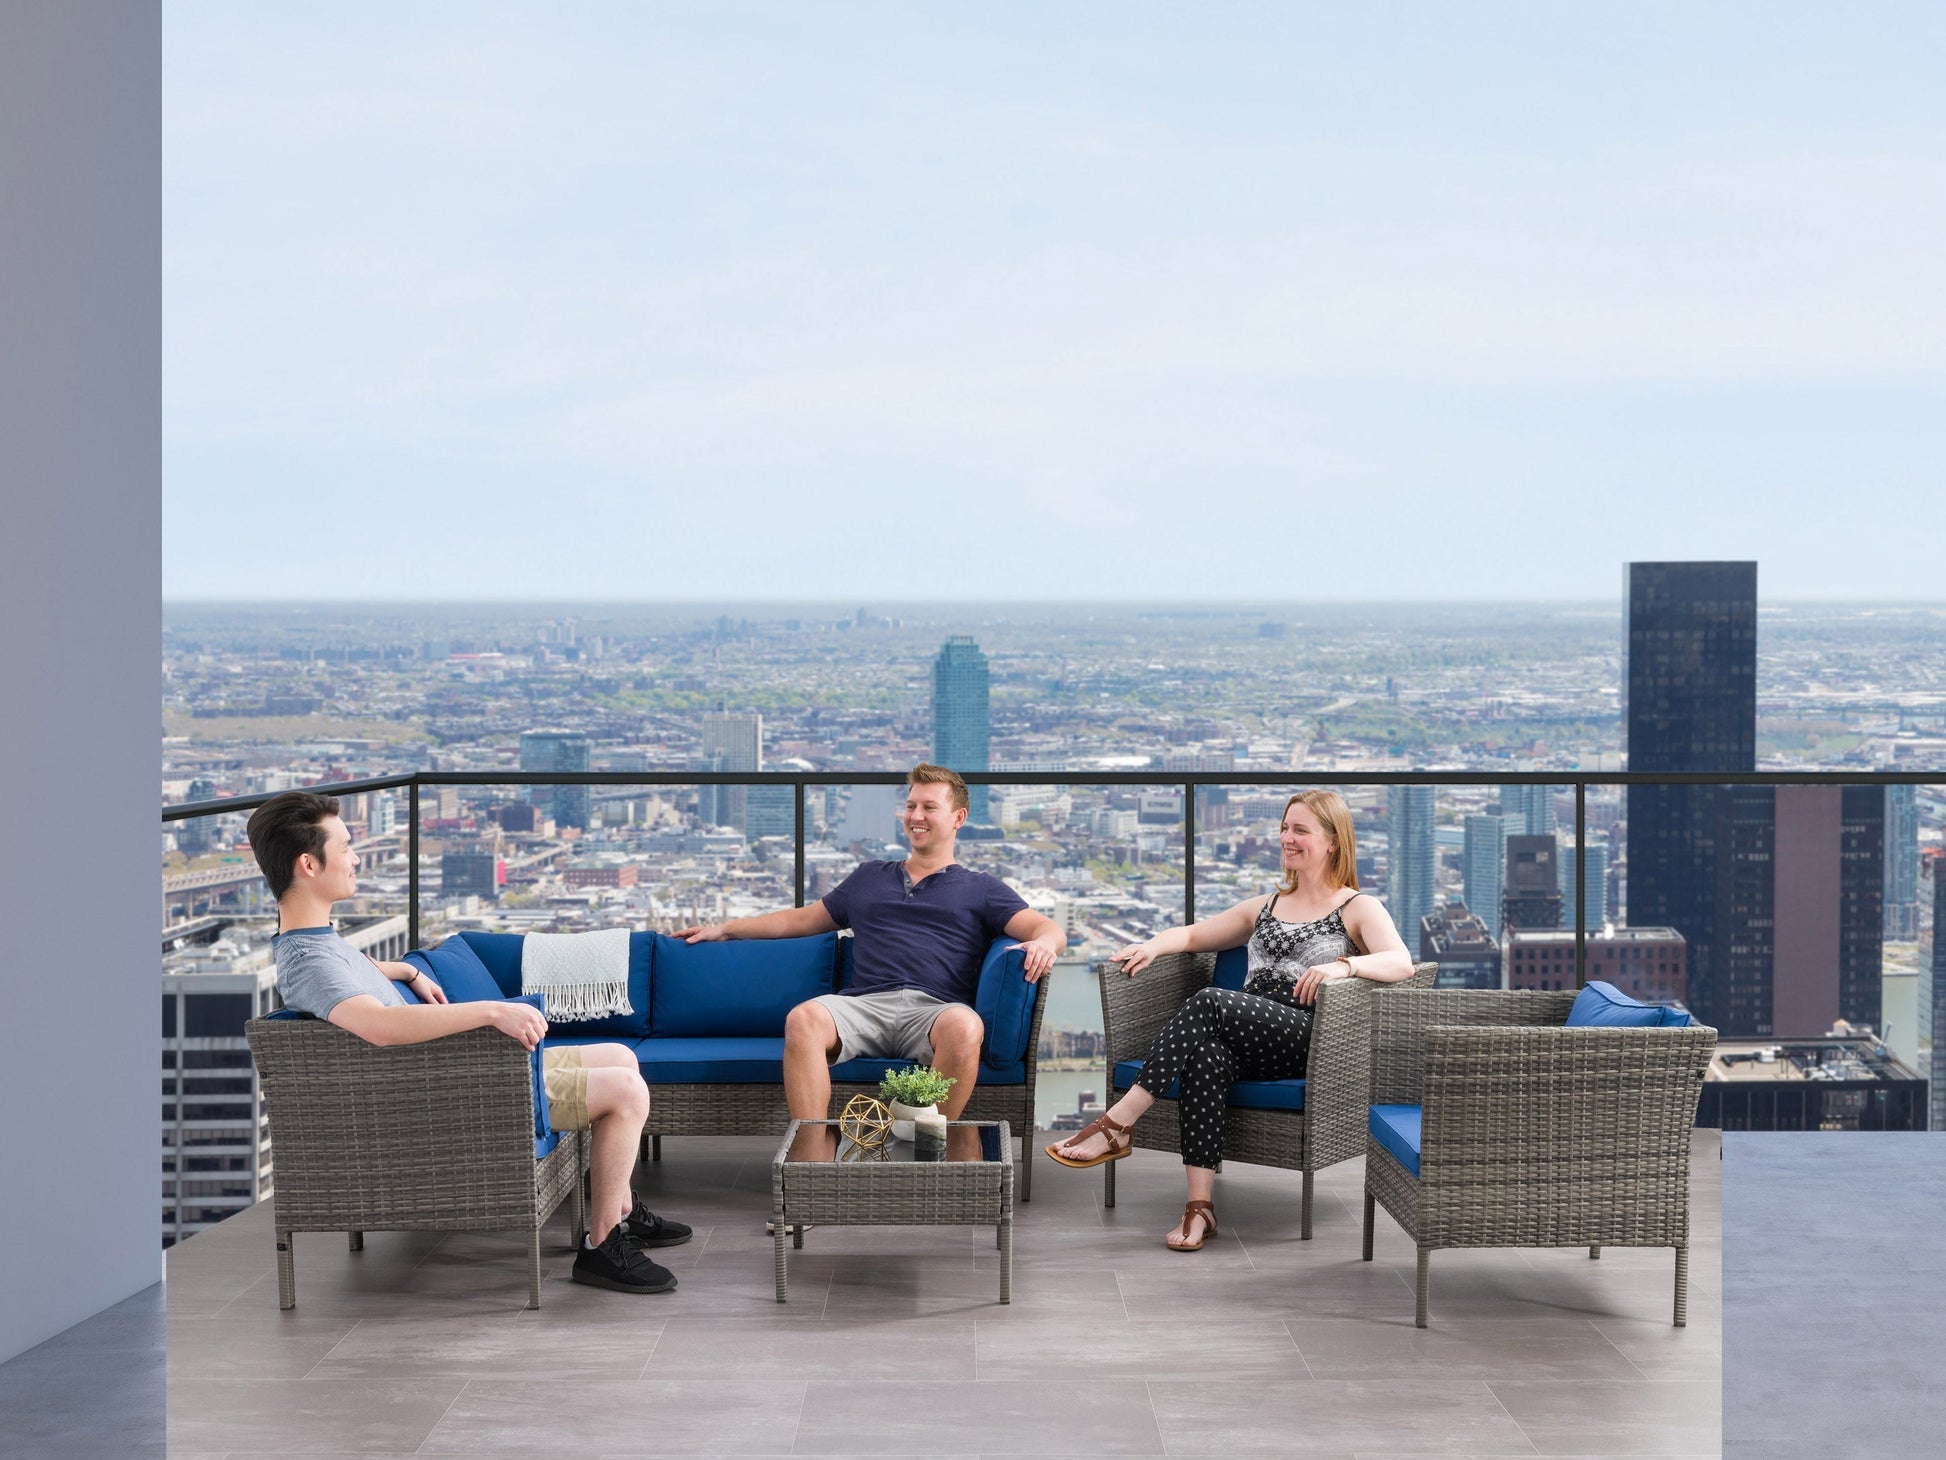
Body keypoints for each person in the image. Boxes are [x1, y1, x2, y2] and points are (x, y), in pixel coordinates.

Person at [245, 791, 691, 1296]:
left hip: (451, 1077)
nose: (356, 857)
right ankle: (603, 1245)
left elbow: (359, 976)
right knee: (627, 1092)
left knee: (620, 1055)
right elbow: (378, 1026)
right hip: (455, 1099)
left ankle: (619, 1205)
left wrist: (408, 970)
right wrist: (493, 1010)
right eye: (346, 846)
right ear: (309, 863)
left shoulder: (316, 943)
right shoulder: (311, 961)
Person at [1045, 789, 1413, 1250]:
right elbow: (1196, 934)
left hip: (1307, 1036)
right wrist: (1154, 946)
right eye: (1284, 828)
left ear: (1333, 841)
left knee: (1211, 1000)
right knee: (1208, 1059)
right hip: (1248, 1033)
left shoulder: (1356, 906)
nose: (1287, 838)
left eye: (1300, 830)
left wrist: (1344, 966)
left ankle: (1118, 1124)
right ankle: (1199, 1209)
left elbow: (1401, 962)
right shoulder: (1267, 905)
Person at [675, 764, 1064, 1136]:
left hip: (935, 1012)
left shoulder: (981, 888)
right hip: (863, 1006)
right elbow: (800, 921)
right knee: (804, 1019)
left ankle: (923, 1147)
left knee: (966, 1026)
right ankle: (812, 1155)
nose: (916, 816)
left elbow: (1045, 927)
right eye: (911, 805)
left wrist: (1046, 942)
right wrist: (727, 929)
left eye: (930, 807)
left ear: (958, 818)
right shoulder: (868, 877)